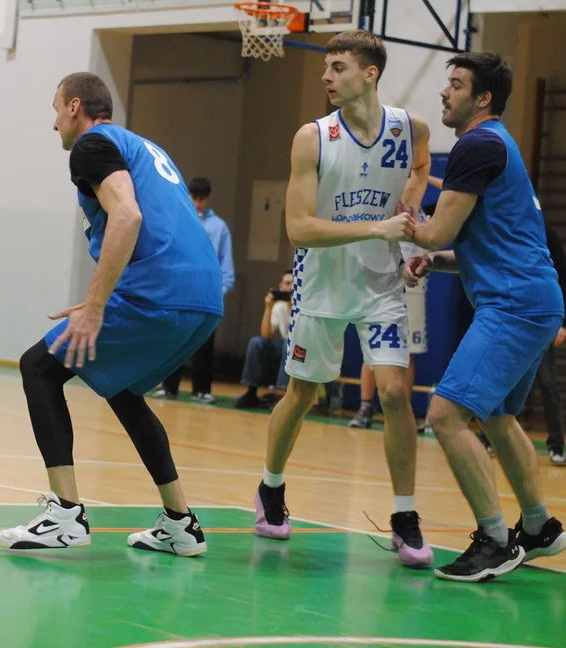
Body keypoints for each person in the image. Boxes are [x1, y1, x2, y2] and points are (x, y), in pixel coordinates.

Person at [0, 72, 223, 557]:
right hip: (203, 298)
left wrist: (97, 306)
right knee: (123, 390)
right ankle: (181, 523)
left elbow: (128, 217)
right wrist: (101, 296)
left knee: (38, 367)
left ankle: (65, 515)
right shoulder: (142, 147)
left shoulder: (91, 145)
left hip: (158, 292)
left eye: (56, 108)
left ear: (75, 107)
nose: (54, 122)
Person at [254, 30, 435, 569]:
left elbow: (421, 167)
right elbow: (298, 229)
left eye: (337, 68)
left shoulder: (410, 128)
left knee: (397, 393)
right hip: (323, 284)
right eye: (327, 69)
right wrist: (377, 226)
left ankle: (405, 515)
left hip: (382, 284)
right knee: (303, 394)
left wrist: (409, 209)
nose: (327, 78)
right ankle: (271, 487)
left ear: (369, 73)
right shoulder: (313, 138)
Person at [407, 52, 566, 582]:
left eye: (455, 85)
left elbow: (435, 231)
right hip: (534, 299)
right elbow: (473, 245)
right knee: (498, 418)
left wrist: (389, 221)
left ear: (483, 98)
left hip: (514, 304)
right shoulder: (497, 143)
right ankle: (539, 527)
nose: (443, 93)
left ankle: (495, 541)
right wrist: (434, 260)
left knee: (445, 415)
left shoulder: (476, 145)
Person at [154, 177, 235, 403]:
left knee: (204, 344)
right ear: (188, 196)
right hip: (179, 292)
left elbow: (225, 262)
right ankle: (168, 387)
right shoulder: (179, 220)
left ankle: (201, 389)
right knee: (174, 340)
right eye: (194, 198)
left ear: (208, 199)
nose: (197, 204)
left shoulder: (219, 228)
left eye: (201, 199)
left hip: (207, 294)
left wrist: (223, 290)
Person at [349, 209, 430, 429]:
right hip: (383, 285)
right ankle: (365, 406)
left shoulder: (424, 213)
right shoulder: (385, 203)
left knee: (409, 350)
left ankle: (403, 409)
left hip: (414, 287)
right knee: (375, 347)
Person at [532, 219, 566, 466]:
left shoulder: (547, 235)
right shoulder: (507, 230)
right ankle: (488, 438)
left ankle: (556, 445)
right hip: (513, 318)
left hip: (543, 321)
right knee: (502, 384)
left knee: (547, 383)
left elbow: (564, 280)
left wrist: (565, 323)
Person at [234, 271, 294, 408]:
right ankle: (251, 392)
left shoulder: (304, 307)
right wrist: (268, 307)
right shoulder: (278, 306)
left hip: (301, 351)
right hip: (286, 349)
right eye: (287, 283)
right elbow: (266, 335)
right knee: (257, 343)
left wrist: (293, 306)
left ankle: (282, 395)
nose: (291, 287)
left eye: (294, 284)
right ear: (280, 286)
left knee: (288, 343)